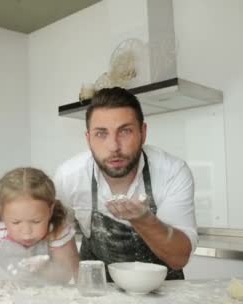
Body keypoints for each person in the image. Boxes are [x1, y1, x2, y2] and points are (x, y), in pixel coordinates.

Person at [54, 87, 197, 280]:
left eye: (125, 131)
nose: (114, 146)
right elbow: (61, 244)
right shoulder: (69, 177)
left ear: (143, 133)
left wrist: (144, 221)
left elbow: (179, 258)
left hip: (164, 293)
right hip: (98, 292)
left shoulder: (172, 172)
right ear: (88, 139)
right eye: (101, 134)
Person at [0, 167, 80, 287]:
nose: (27, 232)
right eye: (16, 222)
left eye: (36, 221)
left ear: (50, 210)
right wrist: (0, 275)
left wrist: (44, 268)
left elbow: (66, 274)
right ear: (2, 212)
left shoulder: (57, 233)